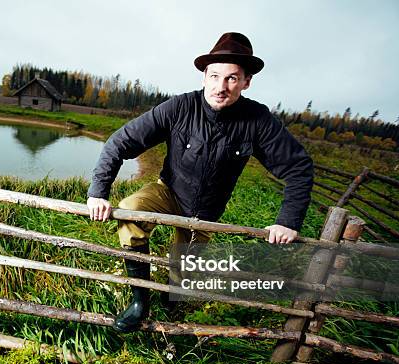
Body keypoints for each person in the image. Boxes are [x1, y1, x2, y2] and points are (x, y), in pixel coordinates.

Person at [86, 32, 314, 333]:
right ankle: (140, 301)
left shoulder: (257, 120)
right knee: (130, 211)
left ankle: (172, 300)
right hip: (169, 191)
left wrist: (287, 220)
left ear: (246, 82)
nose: (221, 87)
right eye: (215, 76)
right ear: (204, 76)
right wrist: (98, 192)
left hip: (206, 212)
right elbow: (120, 142)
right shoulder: (179, 108)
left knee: (184, 271)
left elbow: (299, 167)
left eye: (232, 78)